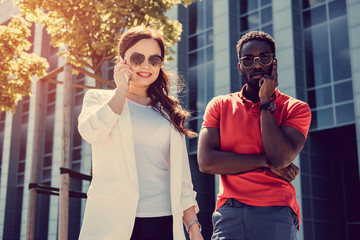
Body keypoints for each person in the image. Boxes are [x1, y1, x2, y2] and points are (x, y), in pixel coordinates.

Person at [78, 26, 203, 240]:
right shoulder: (99, 99)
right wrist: (120, 91)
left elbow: (181, 175)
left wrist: (193, 226)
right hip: (114, 220)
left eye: (154, 60)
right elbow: (92, 133)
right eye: (137, 59)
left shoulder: (168, 110)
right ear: (122, 60)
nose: (146, 66)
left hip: (163, 219)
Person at [197, 31, 311, 240]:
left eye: (264, 58)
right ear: (239, 67)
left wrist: (266, 101)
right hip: (230, 212)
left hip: (276, 210)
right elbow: (206, 162)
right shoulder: (219, 106)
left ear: (274, 63)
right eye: (248, 60)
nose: (257, 65)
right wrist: (266, 163)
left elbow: (280, 157)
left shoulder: (296, 108)